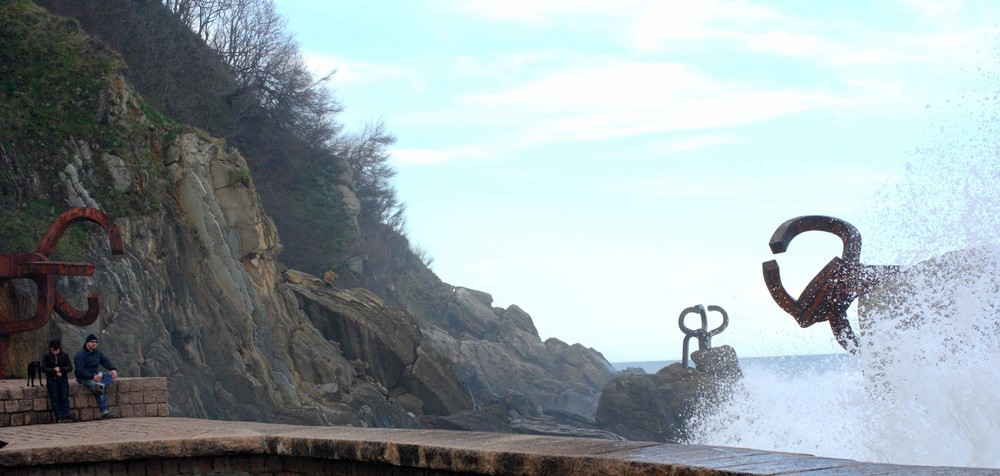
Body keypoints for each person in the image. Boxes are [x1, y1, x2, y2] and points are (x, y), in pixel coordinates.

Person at [74, 334, 119, 419]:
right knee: (98, 390)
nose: (94, 343)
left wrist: (113, 369)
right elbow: (80, 371)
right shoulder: (80, 355)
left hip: (96, 375)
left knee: (112, 375)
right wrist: (92, 376)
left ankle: (100, 385)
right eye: (92, 342)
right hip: (85, 378)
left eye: (95, 342)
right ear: (87, 343)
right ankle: (104, 412)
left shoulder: (97, 353)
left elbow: (105, 361)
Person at [41, 339, 74, 423]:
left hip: (62, 379)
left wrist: (61, 369)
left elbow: (70, 367)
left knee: (64, 397)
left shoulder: (65, 355)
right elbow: (44, 368)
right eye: (53, 350)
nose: (55, 352)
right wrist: (53, 370)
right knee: (55, 398)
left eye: (56, 350)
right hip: (52, 380)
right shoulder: (46, 356)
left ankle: (66, 415)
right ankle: (59, 416)